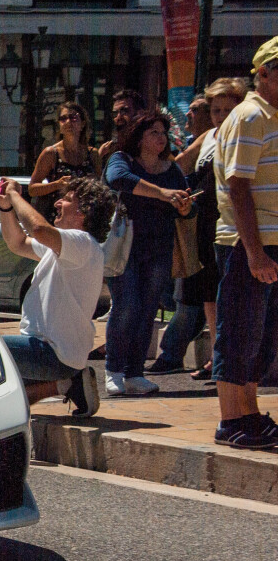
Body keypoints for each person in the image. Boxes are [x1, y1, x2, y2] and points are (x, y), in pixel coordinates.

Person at [148, 78, 249, 379]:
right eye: (216, 110)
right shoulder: (209, 136)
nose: (221, 116)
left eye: (227, 110)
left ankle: (226, 361)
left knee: (229, 295)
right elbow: (178, 166)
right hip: (204, 224)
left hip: (233, 222)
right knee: (208, 296)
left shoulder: (246, 134)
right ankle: (216, 359)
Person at [0, 176, 114, 416]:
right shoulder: (65, 248)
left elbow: (37, 229)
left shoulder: (83, 244)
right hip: (52, 356)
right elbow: (17, 243)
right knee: (3, 407)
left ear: (84, 212)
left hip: (50, 354)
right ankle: (68, 384)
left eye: (68, 200)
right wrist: (6, 206)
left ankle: (66, 380)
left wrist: (16, 195)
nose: (58, 203)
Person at [211, 37, 278, 449]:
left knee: (262, 335)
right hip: (247, 242)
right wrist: (254, 251)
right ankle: (231, 420)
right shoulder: (251, 116)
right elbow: (238, 185)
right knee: (238, 333)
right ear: (264, 73)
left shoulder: (271, 116)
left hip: (268, 240)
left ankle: (249, 415)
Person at [103, 111, 192, 395]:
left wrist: (186, 206)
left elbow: (188, 203)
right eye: (154, 131)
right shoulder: (122, 160)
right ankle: (114, 370)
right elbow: (117, 179)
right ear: (139, 136)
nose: (161, 137)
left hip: (159, 249)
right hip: (125, 246)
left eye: (163, 133)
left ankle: (135, 373)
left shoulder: (172, 168)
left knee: (146, 309)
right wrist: (163, 194)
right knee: (126, 305)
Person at [28, 102, 103, 217]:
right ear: (59, 126)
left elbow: (100, 187)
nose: (68, 122)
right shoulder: (51, 153)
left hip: (84, 219)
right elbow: (32, 189)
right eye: (63, 119)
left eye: (73, 118)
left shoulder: (92, 154)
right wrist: (57, 184)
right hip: (56, 219)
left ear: (82, 124)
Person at [98, 89, 148, 162]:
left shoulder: (149, 143)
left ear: (140, 113)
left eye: (124, 111)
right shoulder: (111, 148)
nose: (118, 117)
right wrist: (99, 157)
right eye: (115, 113)